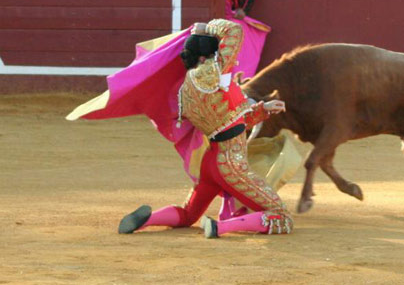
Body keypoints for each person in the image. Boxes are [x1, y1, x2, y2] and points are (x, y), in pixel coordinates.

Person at [66, 20, 299, 238]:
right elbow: (233, 31)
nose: (231, 60)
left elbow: (228, 120)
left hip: (211, 163)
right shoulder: (208, 74)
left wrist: (263, 109)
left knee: (189, 214)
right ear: (209, 56)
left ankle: (149, 219)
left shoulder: (186, 88)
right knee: (282, 216)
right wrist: (206, 27)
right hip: (230, 163)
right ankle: (219, 227)